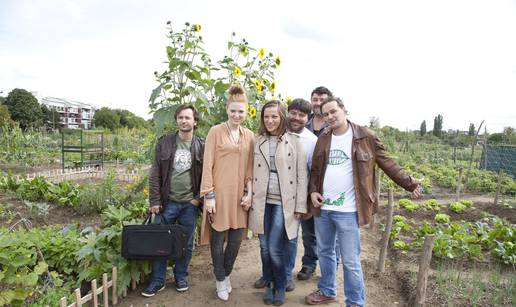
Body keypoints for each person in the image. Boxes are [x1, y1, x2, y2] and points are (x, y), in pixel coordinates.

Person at [305, 97, 422, 306]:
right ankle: (327, 290)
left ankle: (355, 302)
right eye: (326, 114)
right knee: (325, 252)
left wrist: (410, 183)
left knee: (350, 261)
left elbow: (388, 163)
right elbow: (315, 170)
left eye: (333, 111)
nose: (330, 117)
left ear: (344, 110)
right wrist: (313, 191)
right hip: (323, 208)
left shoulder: (365, 136)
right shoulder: (323, 137)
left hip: (349, 210)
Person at [249, 100, 308, 306]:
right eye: (266, 117)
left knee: (275, 247)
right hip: (261, 200)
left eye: (274, 116)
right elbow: (249, 171)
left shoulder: (294, 141)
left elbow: (302, 175)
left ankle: (279, 285)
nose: (270, 120)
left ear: (282, 117)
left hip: (283, 202)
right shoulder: (257, 140)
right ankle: (269, 278)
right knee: (264, 247)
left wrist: (301, 205)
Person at [142, 104, 204, 297]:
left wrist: (198, 199)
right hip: (167, 203)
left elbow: (209, 175)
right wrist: (154, 200)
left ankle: (181, 276)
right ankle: (158, 280)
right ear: (176, 120)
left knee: (185, 243)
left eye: (188, 117)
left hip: (189, 205)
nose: (184, 121)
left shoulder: (202, 145)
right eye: (180, 117)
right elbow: (155, 173)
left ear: (195, 121)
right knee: (160, 241)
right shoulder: (165, 143)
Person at [200, 84, 255, 301]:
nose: (237, 115)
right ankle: (220, 279)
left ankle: (226, 274)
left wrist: (249, 194)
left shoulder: (249, 135)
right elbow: (207, 164)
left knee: (235, 241)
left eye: (241, 111)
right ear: (227, 110)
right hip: (219, 196)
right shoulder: (215, 131)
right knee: (217, 240)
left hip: (239, 197)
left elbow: (250, 168)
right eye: (233, 111)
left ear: (246, 111)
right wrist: (209, 196)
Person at [298, 86, 333, 281]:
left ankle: (329, 269)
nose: (318, 103)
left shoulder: (333, 125)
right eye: (315, 99)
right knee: (308, 229)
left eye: (321, 100)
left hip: (329, 186)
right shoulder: (305, 125)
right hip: (307, 185)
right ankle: (309, 264)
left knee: (329, 231)